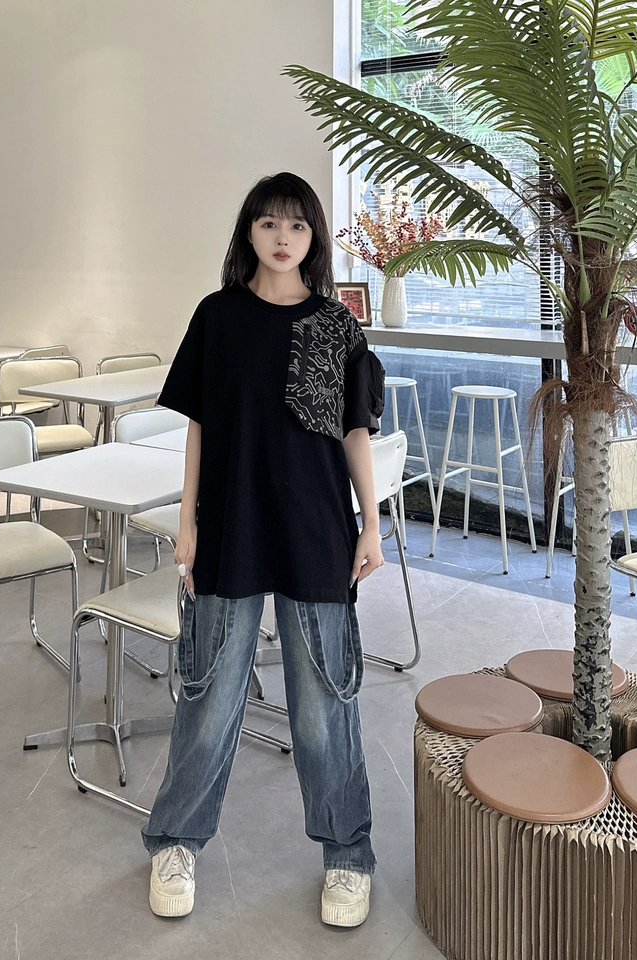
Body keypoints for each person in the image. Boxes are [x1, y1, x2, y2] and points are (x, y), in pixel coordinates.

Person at [142, 171, 386, 927]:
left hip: (316, 529)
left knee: (323, 705)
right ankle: (176, 841)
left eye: (298, 226)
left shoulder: (336, 325)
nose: (283, 238)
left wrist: (371, 522)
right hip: (230, 524)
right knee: (211, 695)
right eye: (269, 223)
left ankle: (347, 855)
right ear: (248, 231)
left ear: (314, 238)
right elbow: (199, 428)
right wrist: (186, 520)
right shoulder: (217, 316)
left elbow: (354, 431)